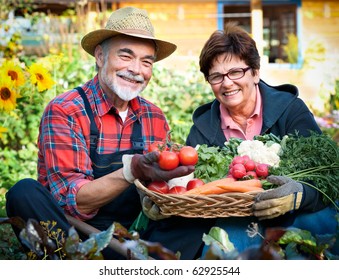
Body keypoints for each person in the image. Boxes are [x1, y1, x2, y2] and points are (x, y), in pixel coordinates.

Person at [5, 6, 194, 259]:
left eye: (146, 61)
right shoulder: (66, 110)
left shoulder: (154, 116)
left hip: (133, 235)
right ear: (100, 56)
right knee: (23, 193)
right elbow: (74, 202)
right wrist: (133, 169)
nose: (137, 69)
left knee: (193, 226)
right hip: (75, 233)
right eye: (126, 56)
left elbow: (162, 192)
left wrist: (171, 190)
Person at [143, 22, 338, 258]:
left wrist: (299, 195)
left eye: (236, 72)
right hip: (235, 220)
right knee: (227, 247)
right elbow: (188, 186)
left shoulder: (291, 110)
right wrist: (166, 201)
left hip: (294, 214)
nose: (226, 83)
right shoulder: (202, 129)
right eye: (216, 76)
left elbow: (328, 175)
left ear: (255, 73)